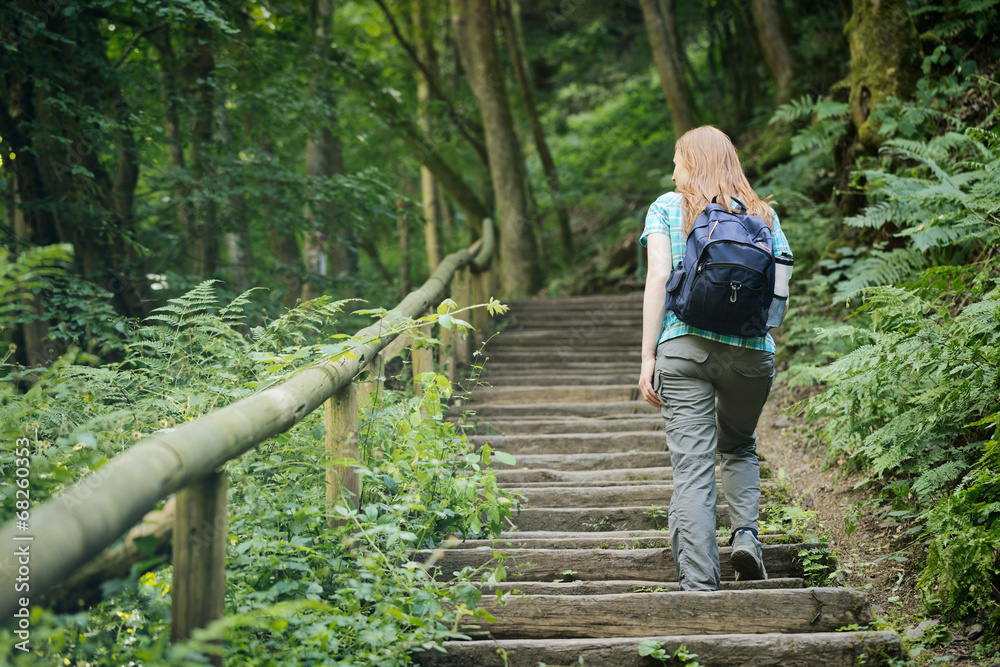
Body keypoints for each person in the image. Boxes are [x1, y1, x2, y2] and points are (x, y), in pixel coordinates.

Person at [637, 125, 793, 591]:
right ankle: (746, 534)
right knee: (739, 445)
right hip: (751, 354)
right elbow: (781, 291)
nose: (672, 169)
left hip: (684, 348)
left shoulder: (667, 207)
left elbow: (658, 277)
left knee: (694, 466)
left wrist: (648, 355)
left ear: (693, 163)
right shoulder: (763, 214)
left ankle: (702, 587)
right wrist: (753, 334)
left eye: (677, 159)